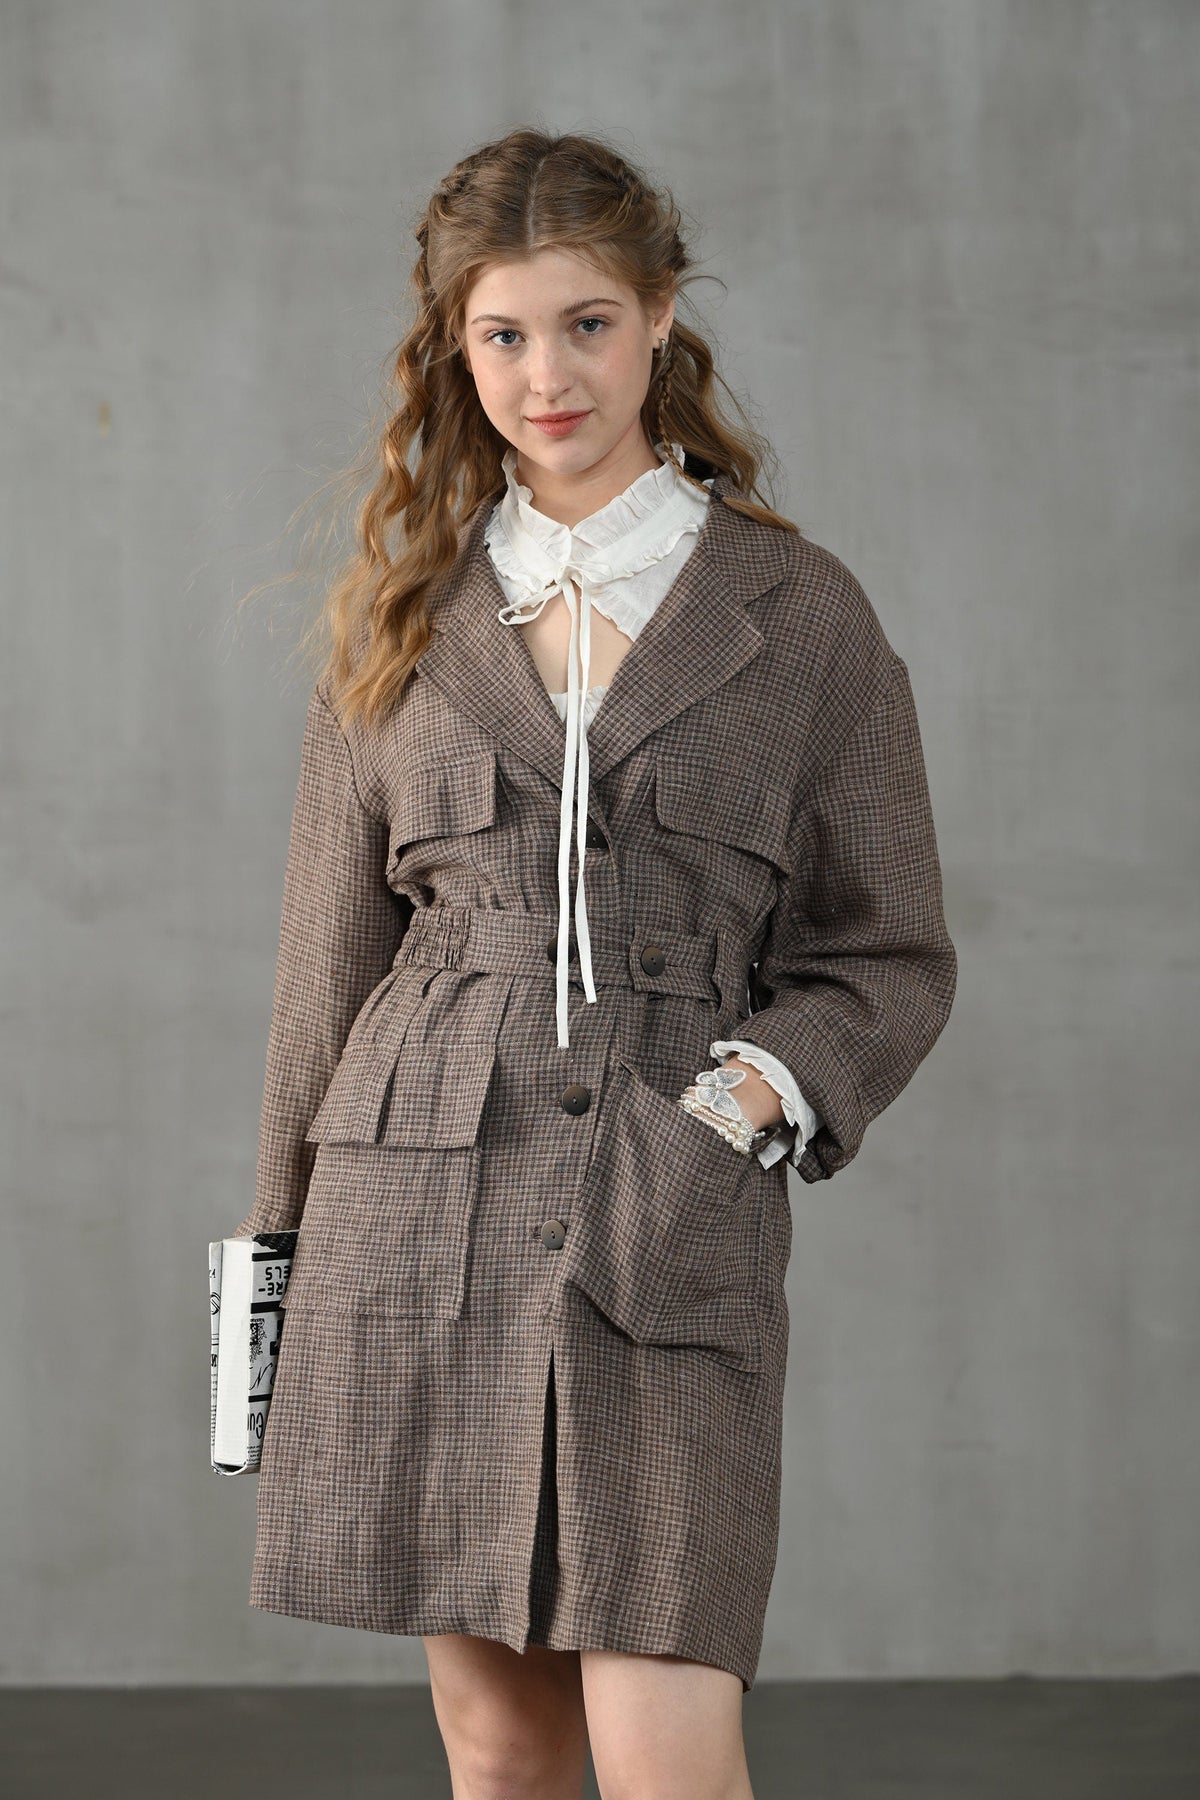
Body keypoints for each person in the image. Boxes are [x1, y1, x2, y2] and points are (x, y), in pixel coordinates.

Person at [232, 128, 957, 1800]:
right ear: (454, 346)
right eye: (503, 334)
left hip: (667, 1210)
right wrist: (268, 1295)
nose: (546, 377)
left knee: (669, 1759)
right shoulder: (405, 616)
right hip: (414, 1219)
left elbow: (890, 953)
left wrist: (740, 1104)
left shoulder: (798, 614)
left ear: (659, 321)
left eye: (586, 325)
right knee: (500, 1754)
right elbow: (322, 977)